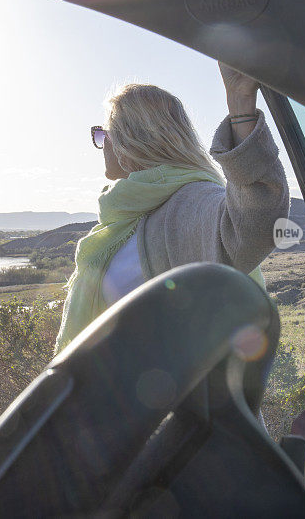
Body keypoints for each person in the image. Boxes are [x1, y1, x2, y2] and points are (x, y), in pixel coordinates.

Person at [55, 62, 289, 353]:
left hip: (157, 394)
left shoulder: (189, 203)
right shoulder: (128, 215)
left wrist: (241, 107)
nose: (102, 145)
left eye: (104, 134)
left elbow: (254, 225)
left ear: (131, 141)